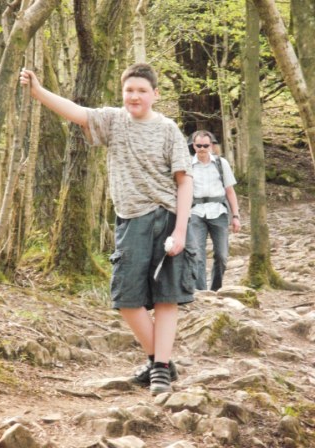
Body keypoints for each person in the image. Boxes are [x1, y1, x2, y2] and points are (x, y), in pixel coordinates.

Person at [20, 63, 196, 395]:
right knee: (126, 298)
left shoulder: (169, 129)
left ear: (155, 95)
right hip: (130, 219)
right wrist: (38, 92)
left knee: (166, 297)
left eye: (142, 90)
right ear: (122, 93)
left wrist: (182, 231)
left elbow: (184, 183)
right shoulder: (113, 120)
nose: (135, 96)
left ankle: (159, 369)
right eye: (129, 90)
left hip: (167, 217)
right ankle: (162, 360)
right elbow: (78, 113)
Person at [190, 130, 240, 291]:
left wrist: (236, 216)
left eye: (206, 145)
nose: (203, 148)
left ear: (211, 145)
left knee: (222, 256)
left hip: (218, 212)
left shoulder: (221, 164)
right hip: (196, 212)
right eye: (199, 145)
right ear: (193, 145)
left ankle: (216, 288)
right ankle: (201, 291)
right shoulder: (187, 165)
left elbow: (230, 191)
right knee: (197, 254)